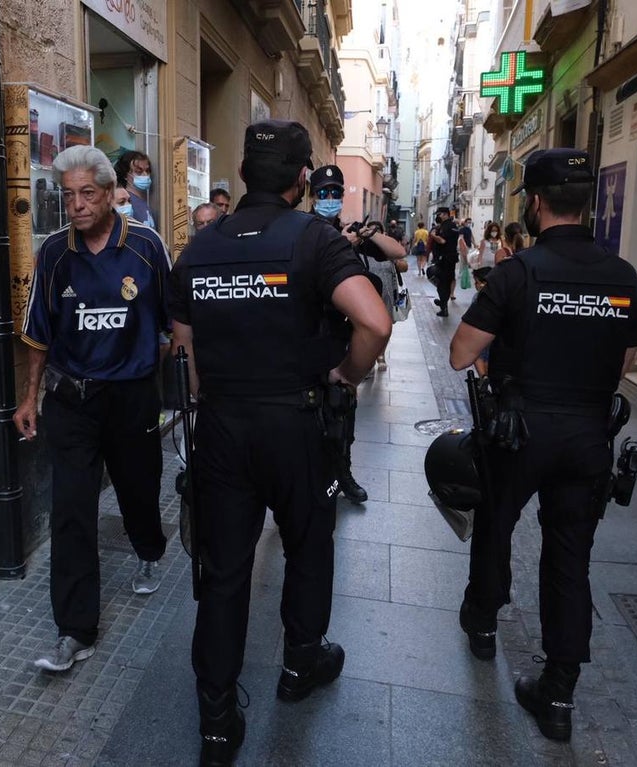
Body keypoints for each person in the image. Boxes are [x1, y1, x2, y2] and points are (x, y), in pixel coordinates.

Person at [169, 119, 391, 767]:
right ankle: (300, 664)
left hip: (223, 428)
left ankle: (217, 721)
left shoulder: (200, 248)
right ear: (302, 180)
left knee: (224, 570)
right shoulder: (315, 240)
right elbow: (373, 319)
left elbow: (184, 346)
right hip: (297, 424)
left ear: (241, 176)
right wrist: (345, 373)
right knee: (307, 545)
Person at [447, 148, 637, 742]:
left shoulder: (518, 272)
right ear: (587, 203)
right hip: (589, 434)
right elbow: (629, 358)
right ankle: (557, 692)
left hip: (520, 430)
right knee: (569, 558)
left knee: (495, 525)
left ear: (534, 203)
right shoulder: (623, 275)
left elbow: (460, 351)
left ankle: (483, 624)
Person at [15, 145, 171, 672]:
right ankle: (75, 630)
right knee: (72, 512)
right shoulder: (55, 254)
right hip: (72, 401)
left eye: (87, 194)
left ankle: (149, 547)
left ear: (110, 194)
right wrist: (29, 397)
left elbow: (175, 322)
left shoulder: (146, 247)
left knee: (138, 487)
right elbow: (38, 334)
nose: (77, 205)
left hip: (131, 397)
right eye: (68, 196)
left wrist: (179, 370)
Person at [310, 164, 404, 502]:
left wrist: (365, 233)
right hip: (309, 336)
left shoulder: (349, 231)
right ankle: (315, 481)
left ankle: (343, 474)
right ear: (313, 195)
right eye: (324, 193)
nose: (331, 199)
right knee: (313, 419)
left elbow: (398, 252)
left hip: (341, 336)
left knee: (344, 408)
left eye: (337, 192)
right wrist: (339, 242)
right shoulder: (306, 231)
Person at [114, 149, 156, 229]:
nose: (145, 175)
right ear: (126, 175)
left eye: (147, 171)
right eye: (138, 171)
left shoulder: (143, 201)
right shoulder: (125, 201)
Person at [430, 207, 460, 316]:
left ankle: (443, 305)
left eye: (440, 214)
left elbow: (442, 241)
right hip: (450, 258)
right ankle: (443, 303)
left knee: (442, 282)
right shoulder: (453, 226)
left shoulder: (447, 226)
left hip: (445, 259)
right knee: (445, 282)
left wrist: (433, 235)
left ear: (445, 214)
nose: (438, 216)